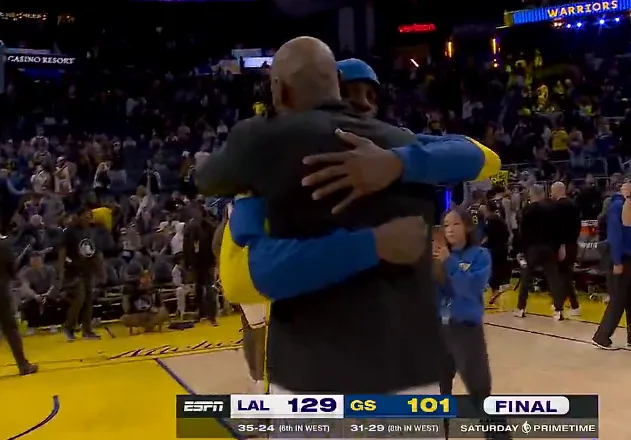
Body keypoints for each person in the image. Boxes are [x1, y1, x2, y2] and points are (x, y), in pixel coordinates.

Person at [197, 36, 499, 401]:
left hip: (312, 378)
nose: (366, 104)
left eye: (371, 95)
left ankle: (256, 382)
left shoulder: (264, 143)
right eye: (358, 93)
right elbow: (485, 157)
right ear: (335, 88)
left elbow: (239, 277)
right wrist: (401, 162)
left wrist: (247, 199)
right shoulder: (404, 144)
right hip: (409, 375)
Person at [433, 208, 509, 440]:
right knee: (439, 392)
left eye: (455, 224)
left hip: (466, 330)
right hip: (438, 331)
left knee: (480, 391)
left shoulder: (480, 256)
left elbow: (470, 288)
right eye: (446, 225)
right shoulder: (435, 258)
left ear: (467, 226)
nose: (450, 229)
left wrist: (449, 263)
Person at [514, 184, 566, 320]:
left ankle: (520, 308)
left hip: (532, 248)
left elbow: (522, 232)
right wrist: (560, 246)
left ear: (532, 194)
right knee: (553, 278)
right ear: (543, 193)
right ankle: (559, 310)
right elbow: (559, 230)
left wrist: (520, 250)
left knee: (526, 278)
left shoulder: (528, 209)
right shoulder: (554, 208)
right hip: (549, 247)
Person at [54, 206, 102, 341]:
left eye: (90, 216)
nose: (89, 218)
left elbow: (95, 252)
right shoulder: (69, 232)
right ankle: (68, 327)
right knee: (79, 298)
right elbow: (62, 251)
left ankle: (87, 330)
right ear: (79, 216)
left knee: (89, 300)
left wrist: (100, 270)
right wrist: (60, 271)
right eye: (86, 216)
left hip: (88, 269)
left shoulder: (91, 231)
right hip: (73, 270)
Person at [592, 186, 631, 349]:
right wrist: (616, 261)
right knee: (618, 299)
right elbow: (615, 236)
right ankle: (602, 336)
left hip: (627, 258)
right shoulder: (617, 207)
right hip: (619, 258)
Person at [0, 237, 38, 375]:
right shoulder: (4, 245)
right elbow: (12, 269)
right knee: (10, 329)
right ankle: (23, 365)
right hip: (1, 292)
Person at [183, 206, 218, 325]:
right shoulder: (189, 228)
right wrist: (188, 262)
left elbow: (214, 244)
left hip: (207, 261)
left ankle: (212, 316)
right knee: (198, 289)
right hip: (196, 262)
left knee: (209, 290)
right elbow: (186, 245)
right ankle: (200, 312)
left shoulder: (209, 227)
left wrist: (214, 261)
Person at [550, 181, 581, 315]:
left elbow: (559, 229)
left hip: (563, 245)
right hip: (573, 244)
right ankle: (564, 304)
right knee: (565, 274)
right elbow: (578, 226)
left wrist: (561, 245)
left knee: (563, 275)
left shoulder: (557, 207)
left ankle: (570, 305)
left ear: (555, 191)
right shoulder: (574, 205)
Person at [120, 268, 169, 335]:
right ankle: (146, 326)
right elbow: (128, 309)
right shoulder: (132, 291)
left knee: (163, 311)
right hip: (138, 315)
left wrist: (156, 309)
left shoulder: (154, 291)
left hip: (151, 315)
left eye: (149, 278)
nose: (147, 280)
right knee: (125, 318)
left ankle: (149, 326)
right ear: (141, 279)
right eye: (145, 278)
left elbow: (159, 305)